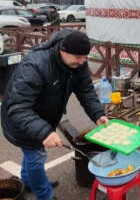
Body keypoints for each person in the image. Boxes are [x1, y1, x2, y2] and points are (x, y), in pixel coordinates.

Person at [1, 29, 108, 200]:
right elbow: (18, 107)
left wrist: (97, 114)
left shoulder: (77, 62)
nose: (82, 62)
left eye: (84, 58)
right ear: (62, 50)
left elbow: (86, 90)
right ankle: (45, 195)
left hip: (42, 117)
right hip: (21, 120)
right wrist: (44, 132)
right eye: (78, 57)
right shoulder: (35, 65)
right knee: (36, 156)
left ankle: (29, 181)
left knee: (33, 156)